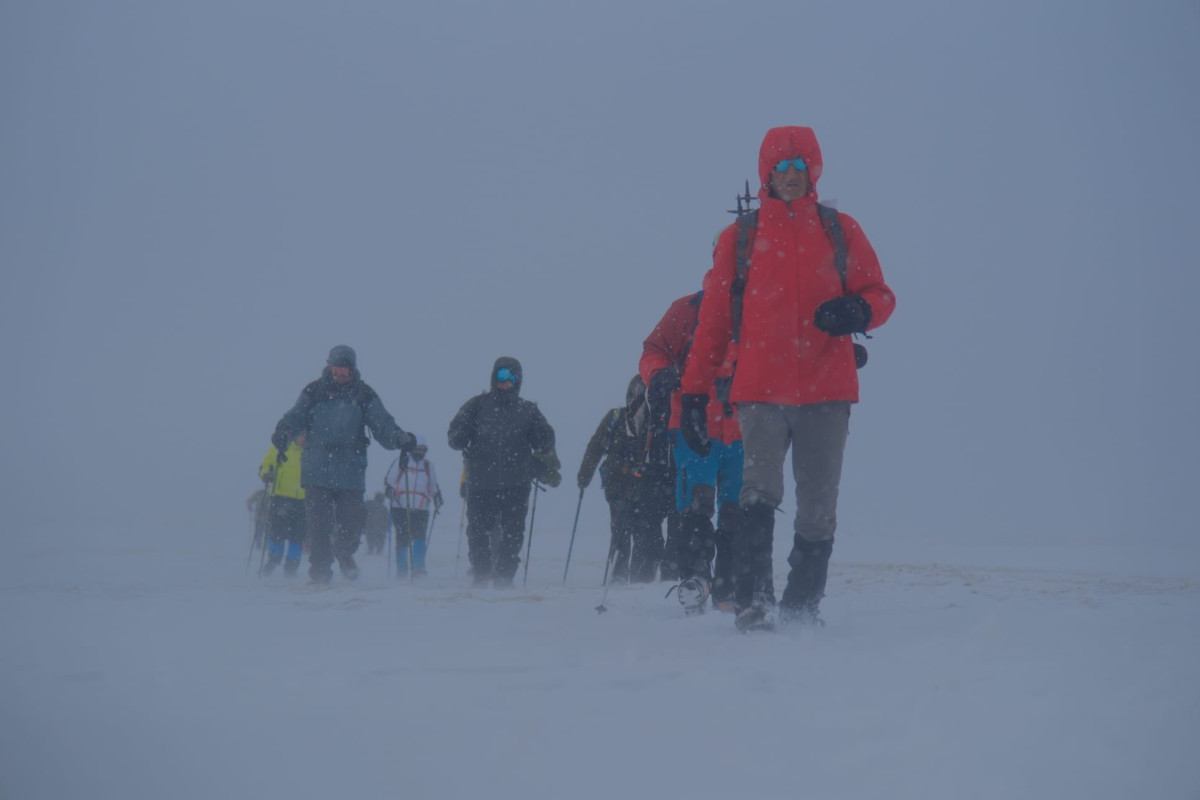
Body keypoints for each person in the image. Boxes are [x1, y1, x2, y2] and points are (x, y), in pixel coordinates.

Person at [681, 126, 896, 630]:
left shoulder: (840, 230)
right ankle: (756, 605)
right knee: (758, 493)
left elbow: (881, 295)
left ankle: (802, 609)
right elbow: (711, 324)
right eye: (781, 167)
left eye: (800, 166)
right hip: (759, 391)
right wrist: (694, 391)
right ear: (766, 174)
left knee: (819, 504)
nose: (791, 176)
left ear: (814, 170)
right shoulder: (741, 239)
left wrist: (857, 310)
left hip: (828, 389)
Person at [271, 345, 417, 584]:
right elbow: (295, 417)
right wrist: (284, 432)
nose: (341, 372)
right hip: (317, 469)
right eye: (337, 367)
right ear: (330, 366)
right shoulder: (314, 391)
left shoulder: (364, 394)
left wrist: (398, 437)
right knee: (319, 524)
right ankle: (320, 572)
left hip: (350, 469)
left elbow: (382, 425)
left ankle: (343, 549)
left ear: (353, 369)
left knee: (353, 521)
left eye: (346, 368)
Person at [640, 291, 744, 613]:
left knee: (735, 509)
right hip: (692, 422)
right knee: (696, 505)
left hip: (745, 426)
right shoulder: (687, 309)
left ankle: (729, 586)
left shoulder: (762, 305)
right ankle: (695, 580)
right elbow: (654, 350)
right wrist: (658, 375)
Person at [447, 357, 560, 588]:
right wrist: (461, 434)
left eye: (510, 377)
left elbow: (545, 439)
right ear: (493, 377)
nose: (505, 382)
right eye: (501, 376)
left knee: (513, 533)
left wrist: (543, 443)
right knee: (478, 532)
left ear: (518, 380)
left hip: (516, 485)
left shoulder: (528, 410)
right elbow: (454, 435)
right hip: (480, 483)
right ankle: (480, 576)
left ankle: (505, 579)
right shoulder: (477, 405)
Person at [577, 375, 670, 584]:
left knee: (642, 531)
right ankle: (620, 575)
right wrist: (584, 475)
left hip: (644, 486)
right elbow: (595, 447)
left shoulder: (656, 420)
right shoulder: (615, 418)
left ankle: (639, 577)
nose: (637, 398)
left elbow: (595, 448)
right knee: (621, 530)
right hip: (618, 485)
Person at [384, 435, 444, 577]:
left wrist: (437, 496)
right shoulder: (400, 463)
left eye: (423, 449)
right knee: (402, 537)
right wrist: (390, 490)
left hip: (421, 508)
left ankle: (418, 567)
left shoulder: (428, 466)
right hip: (400, 506)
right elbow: (389, 481)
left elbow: (433, 485)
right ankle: (402, 570)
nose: (420, 452)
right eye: (417, 449)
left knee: (419, 538)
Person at [258, 432, 307, 576]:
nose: (303, 438)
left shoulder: (312, 450)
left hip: (303, 500)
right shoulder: (280, 447)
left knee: (297, 536)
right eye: (301, 434)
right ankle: (273, 560)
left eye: (306, 435)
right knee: (277, 532)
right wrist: (266, 474)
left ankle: (291, 566)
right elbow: (266, 464)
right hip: (281, 497)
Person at [363, 491, 390, 556]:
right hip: (381, 528)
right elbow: (387, 518)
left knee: (370, 539)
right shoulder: (384, 508)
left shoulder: (368, 504)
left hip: (370, 526)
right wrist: (387, 527)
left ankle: (370, 550)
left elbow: (363, 512)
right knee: (380, 541)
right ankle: (378, 552)